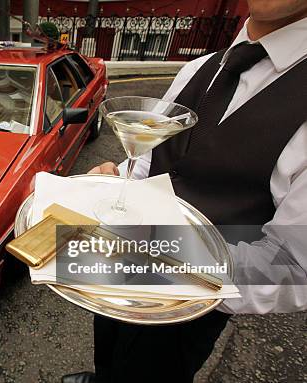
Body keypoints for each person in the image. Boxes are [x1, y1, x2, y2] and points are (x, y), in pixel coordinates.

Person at [62, 1, 307, 382]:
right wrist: (118, 176)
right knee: (107, 343)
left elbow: (293, 267)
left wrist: (166, 254)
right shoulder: (198, 67)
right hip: (120, 263)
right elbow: (152, 156)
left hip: (190, 312)